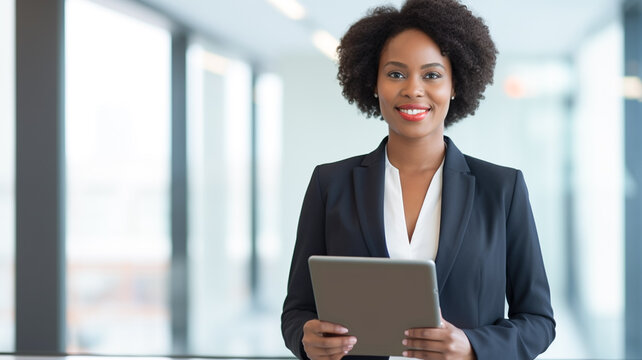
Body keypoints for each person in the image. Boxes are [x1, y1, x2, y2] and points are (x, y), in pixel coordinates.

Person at [281, 0, 556, 359]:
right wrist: (306, 338)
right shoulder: (329, 185)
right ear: (373, 83)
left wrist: (473, 347)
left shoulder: (502, 190)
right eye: (396, 74)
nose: (413, 89)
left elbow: (538, 321)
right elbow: (296, 312)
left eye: (432, 74)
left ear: (455, 84)